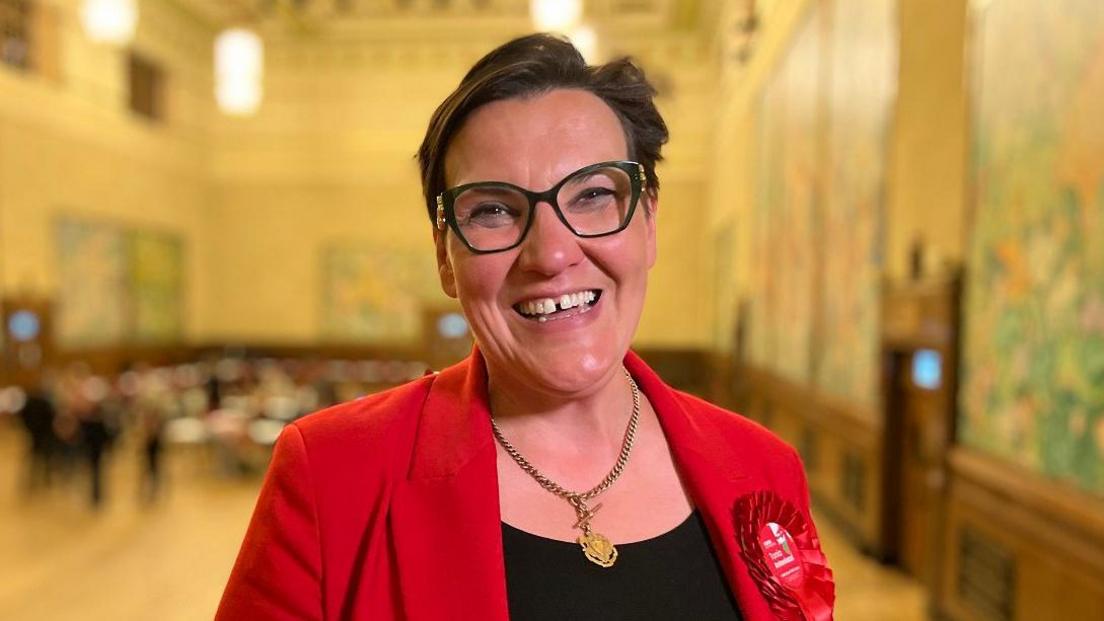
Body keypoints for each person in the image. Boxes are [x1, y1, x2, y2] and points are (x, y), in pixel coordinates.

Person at [218, 34, 834, 621]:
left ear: (647, 222)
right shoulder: (330, 475)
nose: (550, 253)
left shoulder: (764, 469)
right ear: (444, 256)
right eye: (492, 210)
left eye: (593, 195)